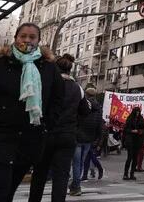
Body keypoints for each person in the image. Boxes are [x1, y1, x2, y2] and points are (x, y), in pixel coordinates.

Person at [0, 23, 64, 202]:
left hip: (28, 141)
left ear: (39, 41)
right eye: (23, 36)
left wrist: (46, 125)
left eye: (32, 37)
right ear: (15, 38)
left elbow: (58, 100)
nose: (27, 40)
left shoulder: (49, 67)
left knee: (7, 191)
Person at [29, 54, 89, 201]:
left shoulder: (47, 83)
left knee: (39, 174)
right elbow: (85, 111)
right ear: (70, 70)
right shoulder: (77, 88)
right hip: (67, 136)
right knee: (61, 176)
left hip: (46, 133)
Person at [75, 86, 103, 186]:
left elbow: (78, 118)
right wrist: (99, 139)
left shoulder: (84, 104)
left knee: (78, 161)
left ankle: (77, 181)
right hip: (91, 136)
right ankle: (81, 178)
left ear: (86, 94)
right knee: (83, 159)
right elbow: (100, 124)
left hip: (80, 135)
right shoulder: (99, 107)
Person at [122, 107, 144, 180]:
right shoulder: (130, 119)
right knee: (129, 158)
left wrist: (138, 131)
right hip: (130, 140)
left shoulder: (141, 119)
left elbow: (143, 128)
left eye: (139, 112)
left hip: (137, 141)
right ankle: (125, 174)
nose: (137, 113)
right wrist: (132, 131)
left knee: (135, 159)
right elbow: (125, 129)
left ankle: (132, 174)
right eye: (136, 112)